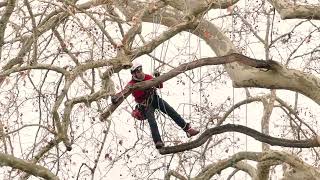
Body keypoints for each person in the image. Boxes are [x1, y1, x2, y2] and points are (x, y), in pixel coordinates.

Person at [111, 62, 200, 149]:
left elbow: (159, 85)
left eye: (140, 70)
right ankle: (158, 141)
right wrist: (116, 97)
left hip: (155, 99)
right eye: (138, 72)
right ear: (134, 74)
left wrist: (158, 78)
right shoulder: (131, 84)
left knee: (171, 111)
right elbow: (125, 93)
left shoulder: (148, 77)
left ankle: (187, 129)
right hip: (146, 104)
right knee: (152, 121)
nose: (140, 73)